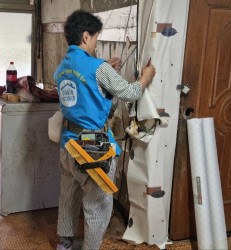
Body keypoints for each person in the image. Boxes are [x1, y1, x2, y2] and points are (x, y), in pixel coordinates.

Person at [53, 10, 156, 250]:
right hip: (92, 148)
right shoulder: (98, 68)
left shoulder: (63, 65)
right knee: (97, 203)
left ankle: (65, 244)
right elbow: (130, 92)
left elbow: (79, 84)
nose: (96, 44)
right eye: (97, 38)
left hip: (67, 144)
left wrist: (106, 68)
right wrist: (146, 77)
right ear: (86, 36)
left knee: (68, 194)